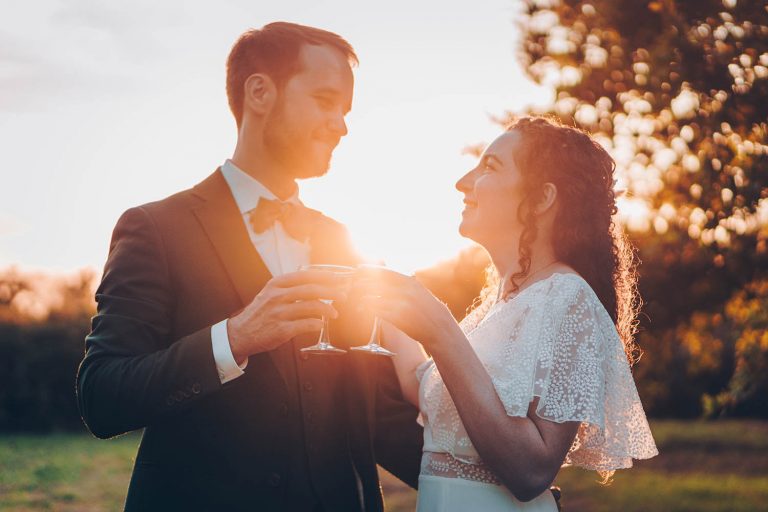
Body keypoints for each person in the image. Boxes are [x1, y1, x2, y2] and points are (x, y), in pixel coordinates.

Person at [76, 22, 422, 512]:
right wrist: (234, 338)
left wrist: (496, 491)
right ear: (260, 92)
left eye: (345, 111)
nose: (341, 126)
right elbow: (103, 396)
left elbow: (378, 419)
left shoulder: (344, 242)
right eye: (326, 100)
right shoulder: (156, 228)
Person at [356, 116, 659, 511]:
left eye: (489, 166)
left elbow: (531, 470)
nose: (463, 182)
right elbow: (429, 388)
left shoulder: (569, 299)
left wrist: (440, 330)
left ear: (541, 199)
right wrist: (391, 306)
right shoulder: (498, 304)